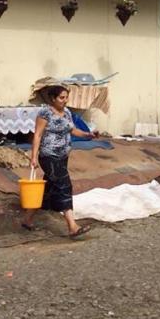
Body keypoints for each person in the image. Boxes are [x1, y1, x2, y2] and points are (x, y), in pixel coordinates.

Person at [21, 84, 99, 237]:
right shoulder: (45, 113)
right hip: (49, 156)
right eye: (61, 98)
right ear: (52, 98)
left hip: (63, 156)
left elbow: (72, 130)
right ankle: (72, 226)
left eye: (66, 97)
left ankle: (27, 220)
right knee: (64, 186)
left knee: (48, 190)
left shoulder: (67, 113)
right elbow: (37, 135)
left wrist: (88, 134)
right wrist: (33, 157)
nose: (65, 100)